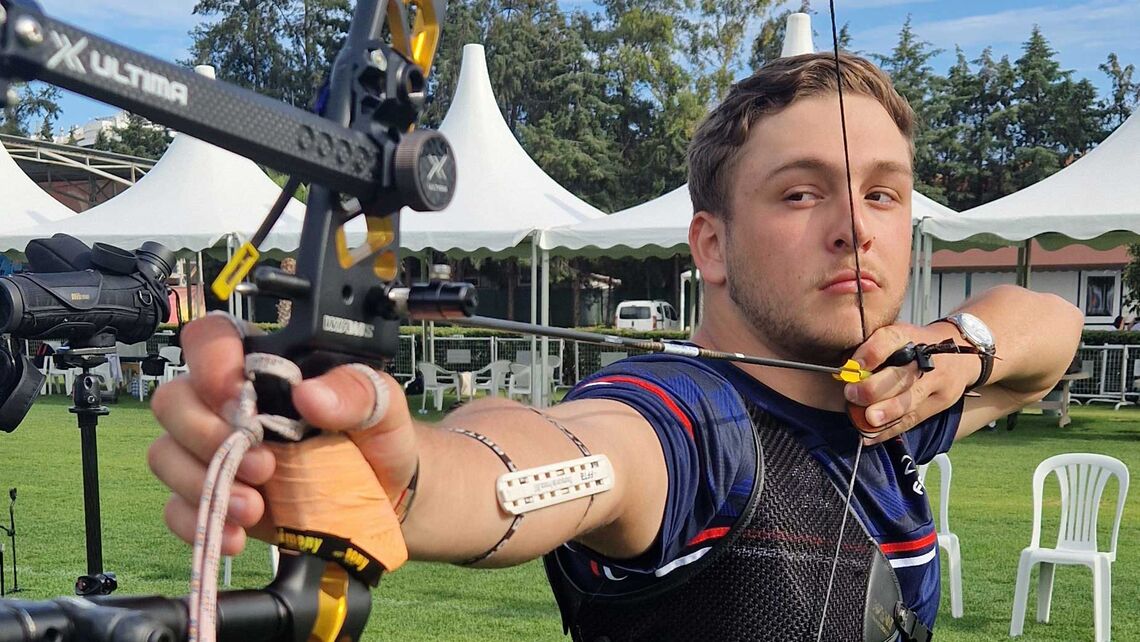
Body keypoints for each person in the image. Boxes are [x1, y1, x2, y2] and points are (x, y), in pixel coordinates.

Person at [148, 52, 1082, 640]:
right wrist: (410, 477)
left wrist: (966, 344)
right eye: (801, 194)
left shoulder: (894, 405)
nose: (856, 227)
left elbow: (1056, 333)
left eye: (883, 193)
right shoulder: (693, 425)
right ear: (709, 244)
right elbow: (556, 457)